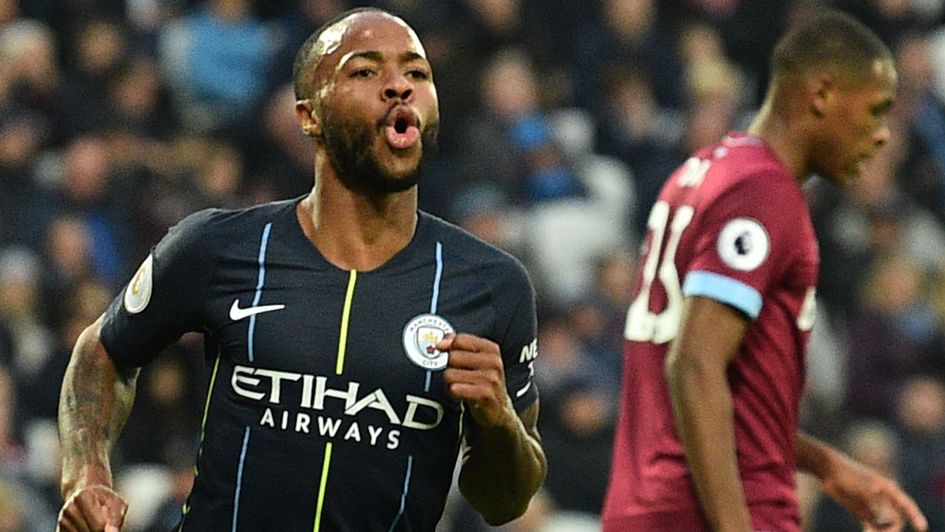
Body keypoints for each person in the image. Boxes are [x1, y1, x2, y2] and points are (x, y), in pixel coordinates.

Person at [56, 7, 546, 531]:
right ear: (308, 115)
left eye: (417, 72)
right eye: (364, 71)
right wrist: (86, 472)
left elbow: (502, 502)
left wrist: (499, 423)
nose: (399, 86)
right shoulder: (219, 246)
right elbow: (103, 351)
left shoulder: (491, 286)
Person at [602, 9, 929, 532]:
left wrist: (823, 464)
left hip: (649, 503)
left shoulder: (701, 172)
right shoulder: (763, 192)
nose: (883, 135)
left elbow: (716, 383)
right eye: (875, 111)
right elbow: (694, 366)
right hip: (710, 512)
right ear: (821, 94)